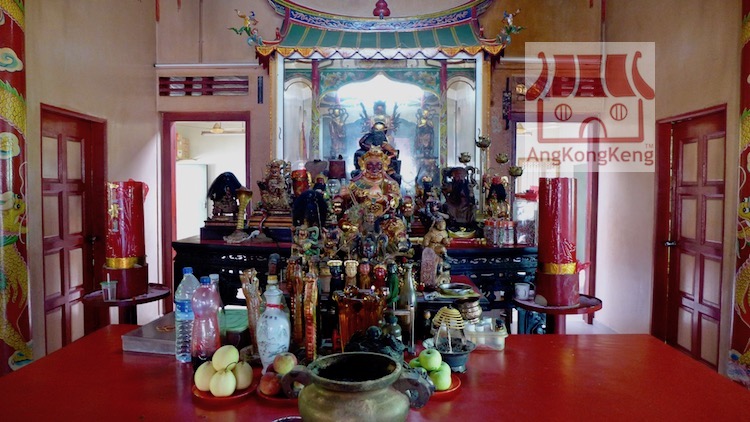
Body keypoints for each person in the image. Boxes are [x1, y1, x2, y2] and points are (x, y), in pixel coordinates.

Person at [348, 146, 401, 219]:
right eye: (370, 165)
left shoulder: (390, 184)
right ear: (364, 165)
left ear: (384, 166)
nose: (374, 169)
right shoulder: (356, 183)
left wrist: (384, 199)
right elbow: (350, 200)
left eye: (378, 165)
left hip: (385, 218)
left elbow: (395, 200)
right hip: (360, 218)